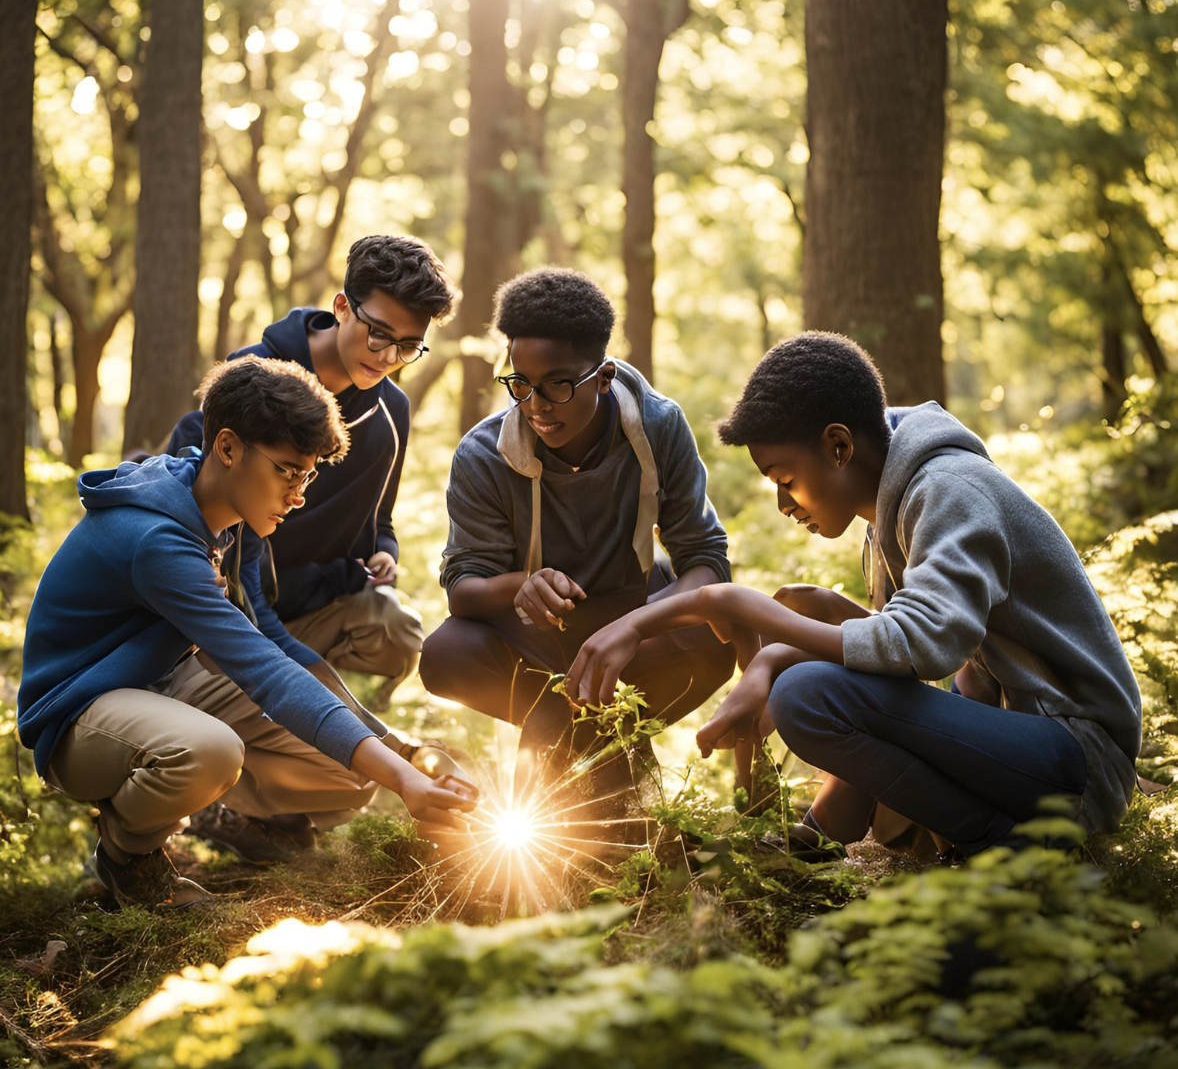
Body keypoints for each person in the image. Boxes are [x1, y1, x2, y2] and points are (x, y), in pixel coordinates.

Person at [564, 331, 1142, 859]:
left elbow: (922, 647)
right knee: (808, 646)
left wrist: (733, 607)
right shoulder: (893, 513)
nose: (784, 503)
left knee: (808, 693)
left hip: (1077, 759)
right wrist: (780, 649)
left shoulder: (947, 491)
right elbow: (918, 669)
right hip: (1027, 745)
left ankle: (998, 842)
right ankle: (830, 838)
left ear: (839, 446)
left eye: (785, 480)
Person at [18, 357, 476, 909]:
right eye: (287, 470)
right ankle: (128, 854)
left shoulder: (231, 519)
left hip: (165, 684)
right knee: (210, 751)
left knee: (352, 775)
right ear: (229, 448)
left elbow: (277, 647)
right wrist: (407, 782)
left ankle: (209, 809)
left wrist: (404, 755)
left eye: (307, 475)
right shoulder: (158, 541)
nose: (299, 494)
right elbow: (262, 672)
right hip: (76, 717)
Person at [418, 268, 736, 829]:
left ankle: (593, 757)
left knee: (712, 637)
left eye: (558, 384)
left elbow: (704, 558)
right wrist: (522, 584)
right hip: (536, 632)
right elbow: (464, 589)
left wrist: (636, 626)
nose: (537, 405)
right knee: (445, 655)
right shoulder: (484, 454)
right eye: (521, 383)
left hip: (629, 611)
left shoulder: (659, 427)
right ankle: (597, 754)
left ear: (604, 376)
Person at [166, 234, 456, 689]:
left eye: (408, 346)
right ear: (342, 306)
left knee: (398, 629)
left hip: (318, 607)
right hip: (231, 617)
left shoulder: (391, 413)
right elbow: (184, 496)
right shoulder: (253, 380)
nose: (387, 357)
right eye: (378, 333)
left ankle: (328, 704)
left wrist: (385, 551)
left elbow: (380, 519)